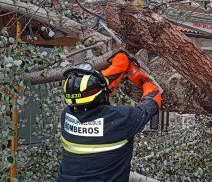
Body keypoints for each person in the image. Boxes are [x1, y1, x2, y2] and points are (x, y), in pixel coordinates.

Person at [57, 51, 162, 181]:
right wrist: (143, 80)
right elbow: (153, 100)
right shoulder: (122, 120)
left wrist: (120, 64)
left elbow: (97, 88)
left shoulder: (67, 115)